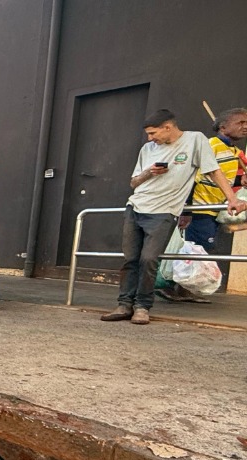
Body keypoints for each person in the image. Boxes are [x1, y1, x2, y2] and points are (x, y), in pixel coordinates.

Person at [101, 110, 245, 324]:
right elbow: (133, 182)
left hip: (164, 211)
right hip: (136, 206)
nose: (150, 138)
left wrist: (232, 198)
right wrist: (149, 172)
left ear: (168, 127)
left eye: (153, 133)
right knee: (130, 259)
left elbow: (213, 171)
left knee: (149, 259)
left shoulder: (195, 140)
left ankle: (142, 306)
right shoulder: (147, 149)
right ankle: (124, 304)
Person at [158, 107, 247, 303]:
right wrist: (187, 209)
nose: (245, 126)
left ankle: (185, 290)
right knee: (198, 248)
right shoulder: (211, 146)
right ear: (223, 127)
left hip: (214, 208)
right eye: (240, 122)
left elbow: (222, 180)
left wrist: (240, 181)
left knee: (199, 249)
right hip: (200, 208)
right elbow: (193, 177)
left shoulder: (233, 151)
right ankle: (177, 288)